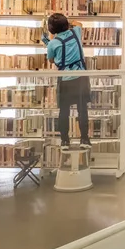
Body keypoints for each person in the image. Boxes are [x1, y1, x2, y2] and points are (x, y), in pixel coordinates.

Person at [42, 13, 91, 150]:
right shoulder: (76, 32)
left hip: (65, 80)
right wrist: (70, 22)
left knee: (64, 111)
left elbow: (52, 60)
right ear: (66, 24)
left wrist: (49, 43)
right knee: (83, 110)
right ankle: (84, 139)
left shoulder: (52, 43)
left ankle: (65, 141)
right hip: (81, 77)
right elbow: (79, 24)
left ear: (51, 28)